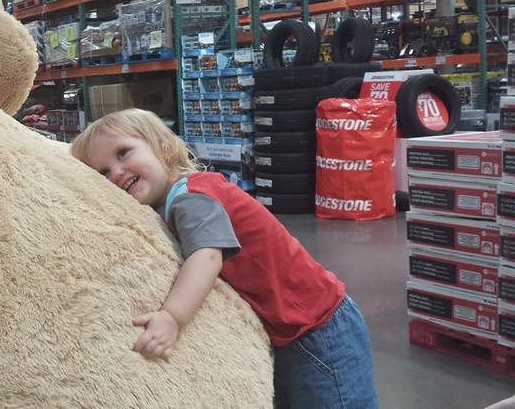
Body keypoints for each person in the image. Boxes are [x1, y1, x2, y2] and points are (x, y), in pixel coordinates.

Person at [70, 108, 378, 409]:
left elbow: (206, 257)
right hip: (290, 332)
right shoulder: (171, 202)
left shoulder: (192, 197)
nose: (116, 173)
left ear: (163, 148)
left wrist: (172, 317)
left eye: (123, 153)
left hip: (319, 328)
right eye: (103, 172)